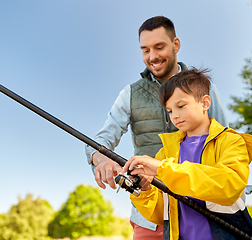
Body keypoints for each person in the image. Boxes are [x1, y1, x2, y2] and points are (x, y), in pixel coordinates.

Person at [85, 16, 228, 239]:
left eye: (159, 47)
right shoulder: (130, 94)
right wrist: (100, 159)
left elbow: (225, 142)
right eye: (145, 50)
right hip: (151, 215)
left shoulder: (204, 88)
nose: (152, 56)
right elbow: (102, 139)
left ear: (176, 44)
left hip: (202, 211)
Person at [123, 67, 252, 240]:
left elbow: (229, 186)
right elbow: (160, 215)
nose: (175, 116)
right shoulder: (165, 153)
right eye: (170, 111)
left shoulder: (231, 142)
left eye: (181, 106)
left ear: (205, 103)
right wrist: (145, 190)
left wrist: (164, 169)